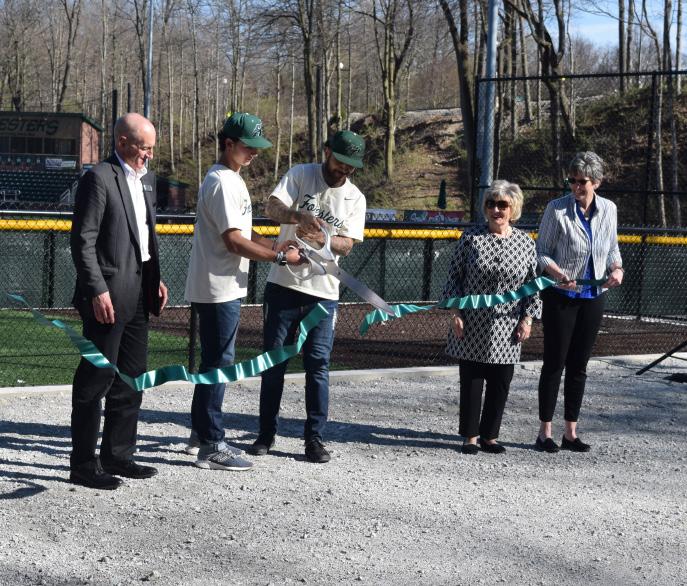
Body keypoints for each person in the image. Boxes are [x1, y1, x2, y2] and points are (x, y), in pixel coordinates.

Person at [183, 112, 301, 471]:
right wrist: (278, 258)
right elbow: (234, 241)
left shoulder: (231, 179)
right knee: (219, 364)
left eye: (257, 147)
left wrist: (277, 246)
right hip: (218, 287)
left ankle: (201, 434)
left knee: (214, 362)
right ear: (229, 143)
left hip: (222, 284)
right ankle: (211, 445)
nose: (254, 152)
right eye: (248, 146)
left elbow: (244, 233)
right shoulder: (222, 181)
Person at [248, 130, 367, 463]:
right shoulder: (302, 174)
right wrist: (297, 216)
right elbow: (272, 206)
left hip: (323, 293)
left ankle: (314, 439)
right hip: (283, 285)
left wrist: (321, 239)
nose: (345, 169)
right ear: (327, 151)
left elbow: (348, 244)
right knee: (274, 363)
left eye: (351, 165)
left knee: (318, 365)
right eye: (341, 161)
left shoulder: (355, 197)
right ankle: (265, 434)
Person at [69, 112, 168, 490]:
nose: (149, 155)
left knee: (131, 379)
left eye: (152, 149)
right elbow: (83, 241)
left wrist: (156, 280)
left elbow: (144, 238)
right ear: (122, 142)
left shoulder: (146, 181)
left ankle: (118, 455)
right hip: (107, 297)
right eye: (144, 148)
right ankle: (83, 465)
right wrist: (96, 289)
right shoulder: (98, 178)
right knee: (95, 381)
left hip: (139, 295)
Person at [441, 180, 541, 455]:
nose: (496, 210)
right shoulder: (471, 238)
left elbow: (532, 285)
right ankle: (471, 436)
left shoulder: (525, 243)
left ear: (513, 208)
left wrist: (528, 319)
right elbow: (453, 278)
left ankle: (490, 436)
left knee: (500, 382)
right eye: (491, 204)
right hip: (472, 322)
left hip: (508, 325)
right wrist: (455, 312)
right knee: (472, 381)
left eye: (502, 205)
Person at [535, 151, 624, 453]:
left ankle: (570, 432)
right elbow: (541, 252)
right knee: (554, 363)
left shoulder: (609, 209)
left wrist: (617, 269)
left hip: (593, 297)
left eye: (582, 181)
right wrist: (558, 273)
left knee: (579, 366)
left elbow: (612, 248)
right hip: (561, 296)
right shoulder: (556, 209)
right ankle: (545, 432)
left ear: (596, 182)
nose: (575, 186)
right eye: (572, 180)